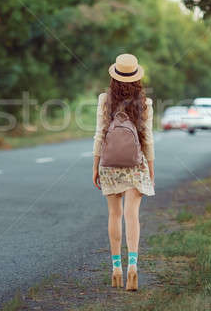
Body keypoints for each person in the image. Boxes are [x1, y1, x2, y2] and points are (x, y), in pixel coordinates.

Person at [92, 53, 155, 291]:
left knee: (114, 215)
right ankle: (133, 267)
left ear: (114, 76)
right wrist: (150, 169)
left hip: (109, 164)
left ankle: (116, 267)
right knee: (132, 216)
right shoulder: (145, 103)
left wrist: (95, 165)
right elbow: (148, 140)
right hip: (136, 164)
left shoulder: (104, 100)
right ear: (136, 77)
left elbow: (99, 134)